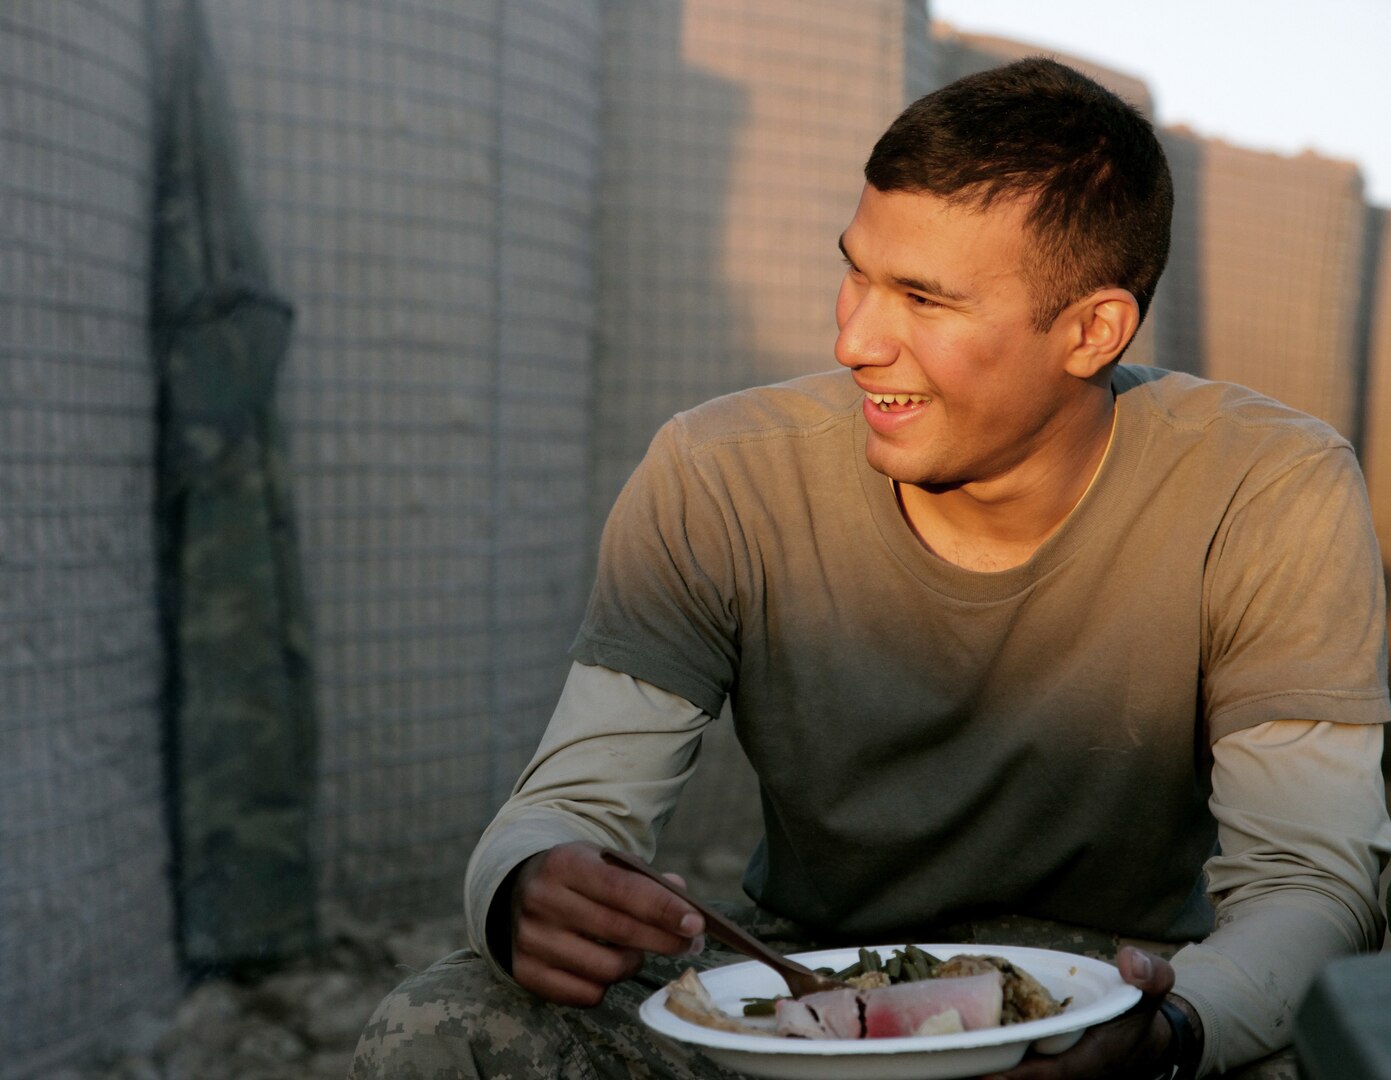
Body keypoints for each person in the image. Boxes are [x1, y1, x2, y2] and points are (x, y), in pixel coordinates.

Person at [351, 57, 1391, 1079]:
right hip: (808, 983)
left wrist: (1166, 1039)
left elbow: (1308, 886)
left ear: (1089, 331)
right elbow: (569, 806)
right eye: (854, 269)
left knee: (1315, 1042)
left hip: (1122, 992)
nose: (853, 336)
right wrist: (528, 883)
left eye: (922, 299)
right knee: (442, 1027)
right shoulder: (717, 476)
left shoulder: (1267, 489)